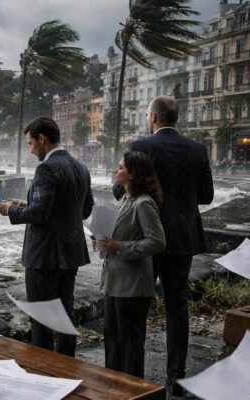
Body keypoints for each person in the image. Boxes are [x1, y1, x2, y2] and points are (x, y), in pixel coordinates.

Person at [113, 96, 214, 396]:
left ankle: (136, 378)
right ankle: (177, 380)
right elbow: (206, 196)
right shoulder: (198, 149)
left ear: (154, 118)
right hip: (182, 239)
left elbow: (121, 190)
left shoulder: (141, 146)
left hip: (146, 237)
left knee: (137, 307)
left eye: (147, 116)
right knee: (177, 307)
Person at [0, 117, 93, 357]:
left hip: (44, 256)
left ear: (42, 139)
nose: (30, 150)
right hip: (70, 252)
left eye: (30, 144)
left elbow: (40, 213)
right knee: (64, 313)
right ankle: (66, 365)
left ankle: (44, 370)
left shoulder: (46, 168)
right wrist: (29, 203)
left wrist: (11, 210)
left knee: (41, 318)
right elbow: (85, 209)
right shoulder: (80, 167)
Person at [95, 151, 166, 378]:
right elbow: (121, 232)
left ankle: (132, 389)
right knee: (113, 338)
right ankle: (113, 385)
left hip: (133, 286)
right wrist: (101, 239)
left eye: (121, 167)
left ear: (133, 173)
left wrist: (120, 246)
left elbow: (157, 242)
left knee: (130, 343)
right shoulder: (126, 198)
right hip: (115, 282)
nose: (117, 170)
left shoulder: (144, 203)